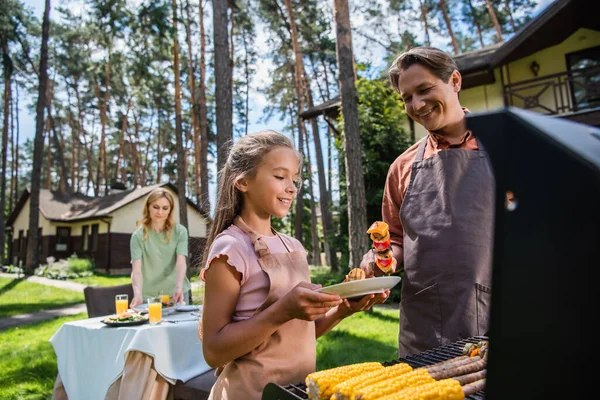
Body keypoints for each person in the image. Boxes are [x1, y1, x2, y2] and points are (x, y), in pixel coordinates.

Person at [200, 130, 389, 400]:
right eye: (280, 177)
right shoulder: (230, 248)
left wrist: (342, 310)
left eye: (295, 179)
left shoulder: (294, 247)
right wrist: (283, 310)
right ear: (242, 182)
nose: (291, 187)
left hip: (296, 392)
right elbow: (214, 351)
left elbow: (297, 335)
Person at [361, 47, 495, 358]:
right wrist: (379, 259)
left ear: (455, 80)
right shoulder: (402, 167)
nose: (416, 104)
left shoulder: (507, 147)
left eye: (424, 90)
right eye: (406, 98)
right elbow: (395, 240)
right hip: (425, 326)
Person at [129, 188, 191, 307]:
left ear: (170, 210)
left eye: (165, 208)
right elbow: (136, 271)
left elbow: (181, 263)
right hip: (149, 297)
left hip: (176, 294)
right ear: (148, 207)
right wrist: (137, 294)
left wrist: (178, 288)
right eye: (155, 207)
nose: (160, 212)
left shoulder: (180, 232)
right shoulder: (137, 236)